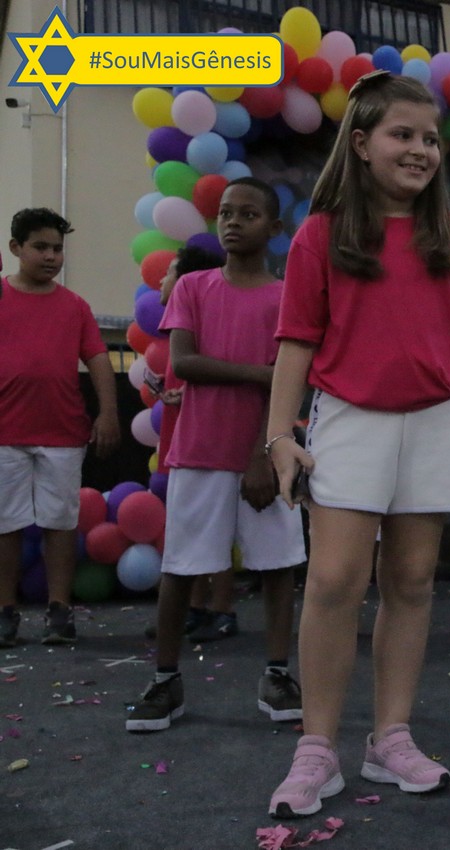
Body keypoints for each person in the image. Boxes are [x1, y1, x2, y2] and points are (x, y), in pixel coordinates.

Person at [265, 72, 450, 818]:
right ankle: (316, 749)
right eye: (403, 135)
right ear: (362, 144)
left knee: (411, 581)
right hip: (349, 419)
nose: (420, 150)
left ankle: (390, 738)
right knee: (335, 580)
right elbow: (296, 342)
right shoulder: (321, 235)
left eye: (430, 138)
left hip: (436, 422)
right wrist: (278, 434)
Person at [124, 178, 306, 734]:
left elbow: (289, 382)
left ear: (275, 229)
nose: (232, 222)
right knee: (181, 567)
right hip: (199, 452)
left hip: (267, 454)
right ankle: (165, 680)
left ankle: (278, 674)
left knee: (278, 566)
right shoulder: (193, 286)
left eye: (248, 214)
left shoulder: (287, 296)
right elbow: (186, 363)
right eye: (226, 213)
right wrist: (261, 374)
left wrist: (261, 453)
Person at [0, 208, 119, 647]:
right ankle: (5, 611)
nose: (51, 256)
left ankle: (59, 610)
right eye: (41, 247)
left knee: (60, 523)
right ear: (16, 248)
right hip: (5, 432)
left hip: (63, 432)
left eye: (57, 248)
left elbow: (99, 359)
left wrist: (108, 413)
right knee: (5, 525)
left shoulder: (75, 306)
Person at [144, 246, 237, 643]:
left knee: (214, 525)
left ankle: (222, 609)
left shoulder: (206, 319)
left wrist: (184, 393)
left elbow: (211, 369)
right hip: (180, 435)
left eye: (169, 272)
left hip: (205, 439)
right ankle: (196, 607)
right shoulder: (177, 325)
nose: (161, 280)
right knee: (193, 527)